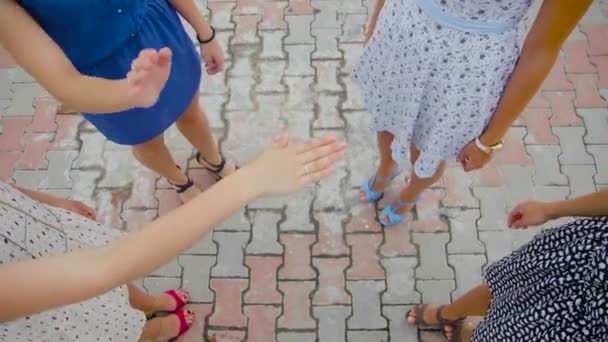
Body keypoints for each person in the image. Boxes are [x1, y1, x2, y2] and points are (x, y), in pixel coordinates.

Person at [0, 133, 347, 341]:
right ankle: (154, 331)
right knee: (111, 323)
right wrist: (250, 181)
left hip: (49, 230)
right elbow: (103, 267)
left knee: (117, 287)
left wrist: (48, 202)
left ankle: (149, 305)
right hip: (46, 318)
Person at [354, 0, 593, 226]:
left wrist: (489, 141)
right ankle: (386, 167)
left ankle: (410, 193)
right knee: (387, 121)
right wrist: (376, 23)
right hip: (402, 31)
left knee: (428, 149)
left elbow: (542, 48)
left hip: (466, 71)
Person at [0, 0, 235, 203]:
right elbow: (63, 82)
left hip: (158, 35)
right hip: (100, 77)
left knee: (191, 111)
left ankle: (213, 158)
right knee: (147, 141)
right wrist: (130, 93)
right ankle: (179, 180)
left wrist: (206, 33)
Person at [407, 188, 608, 341]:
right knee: (504, 288)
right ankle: (449, 313)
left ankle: (473, 333)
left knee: (501, 335)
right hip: (587, 261)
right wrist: (551, 209)